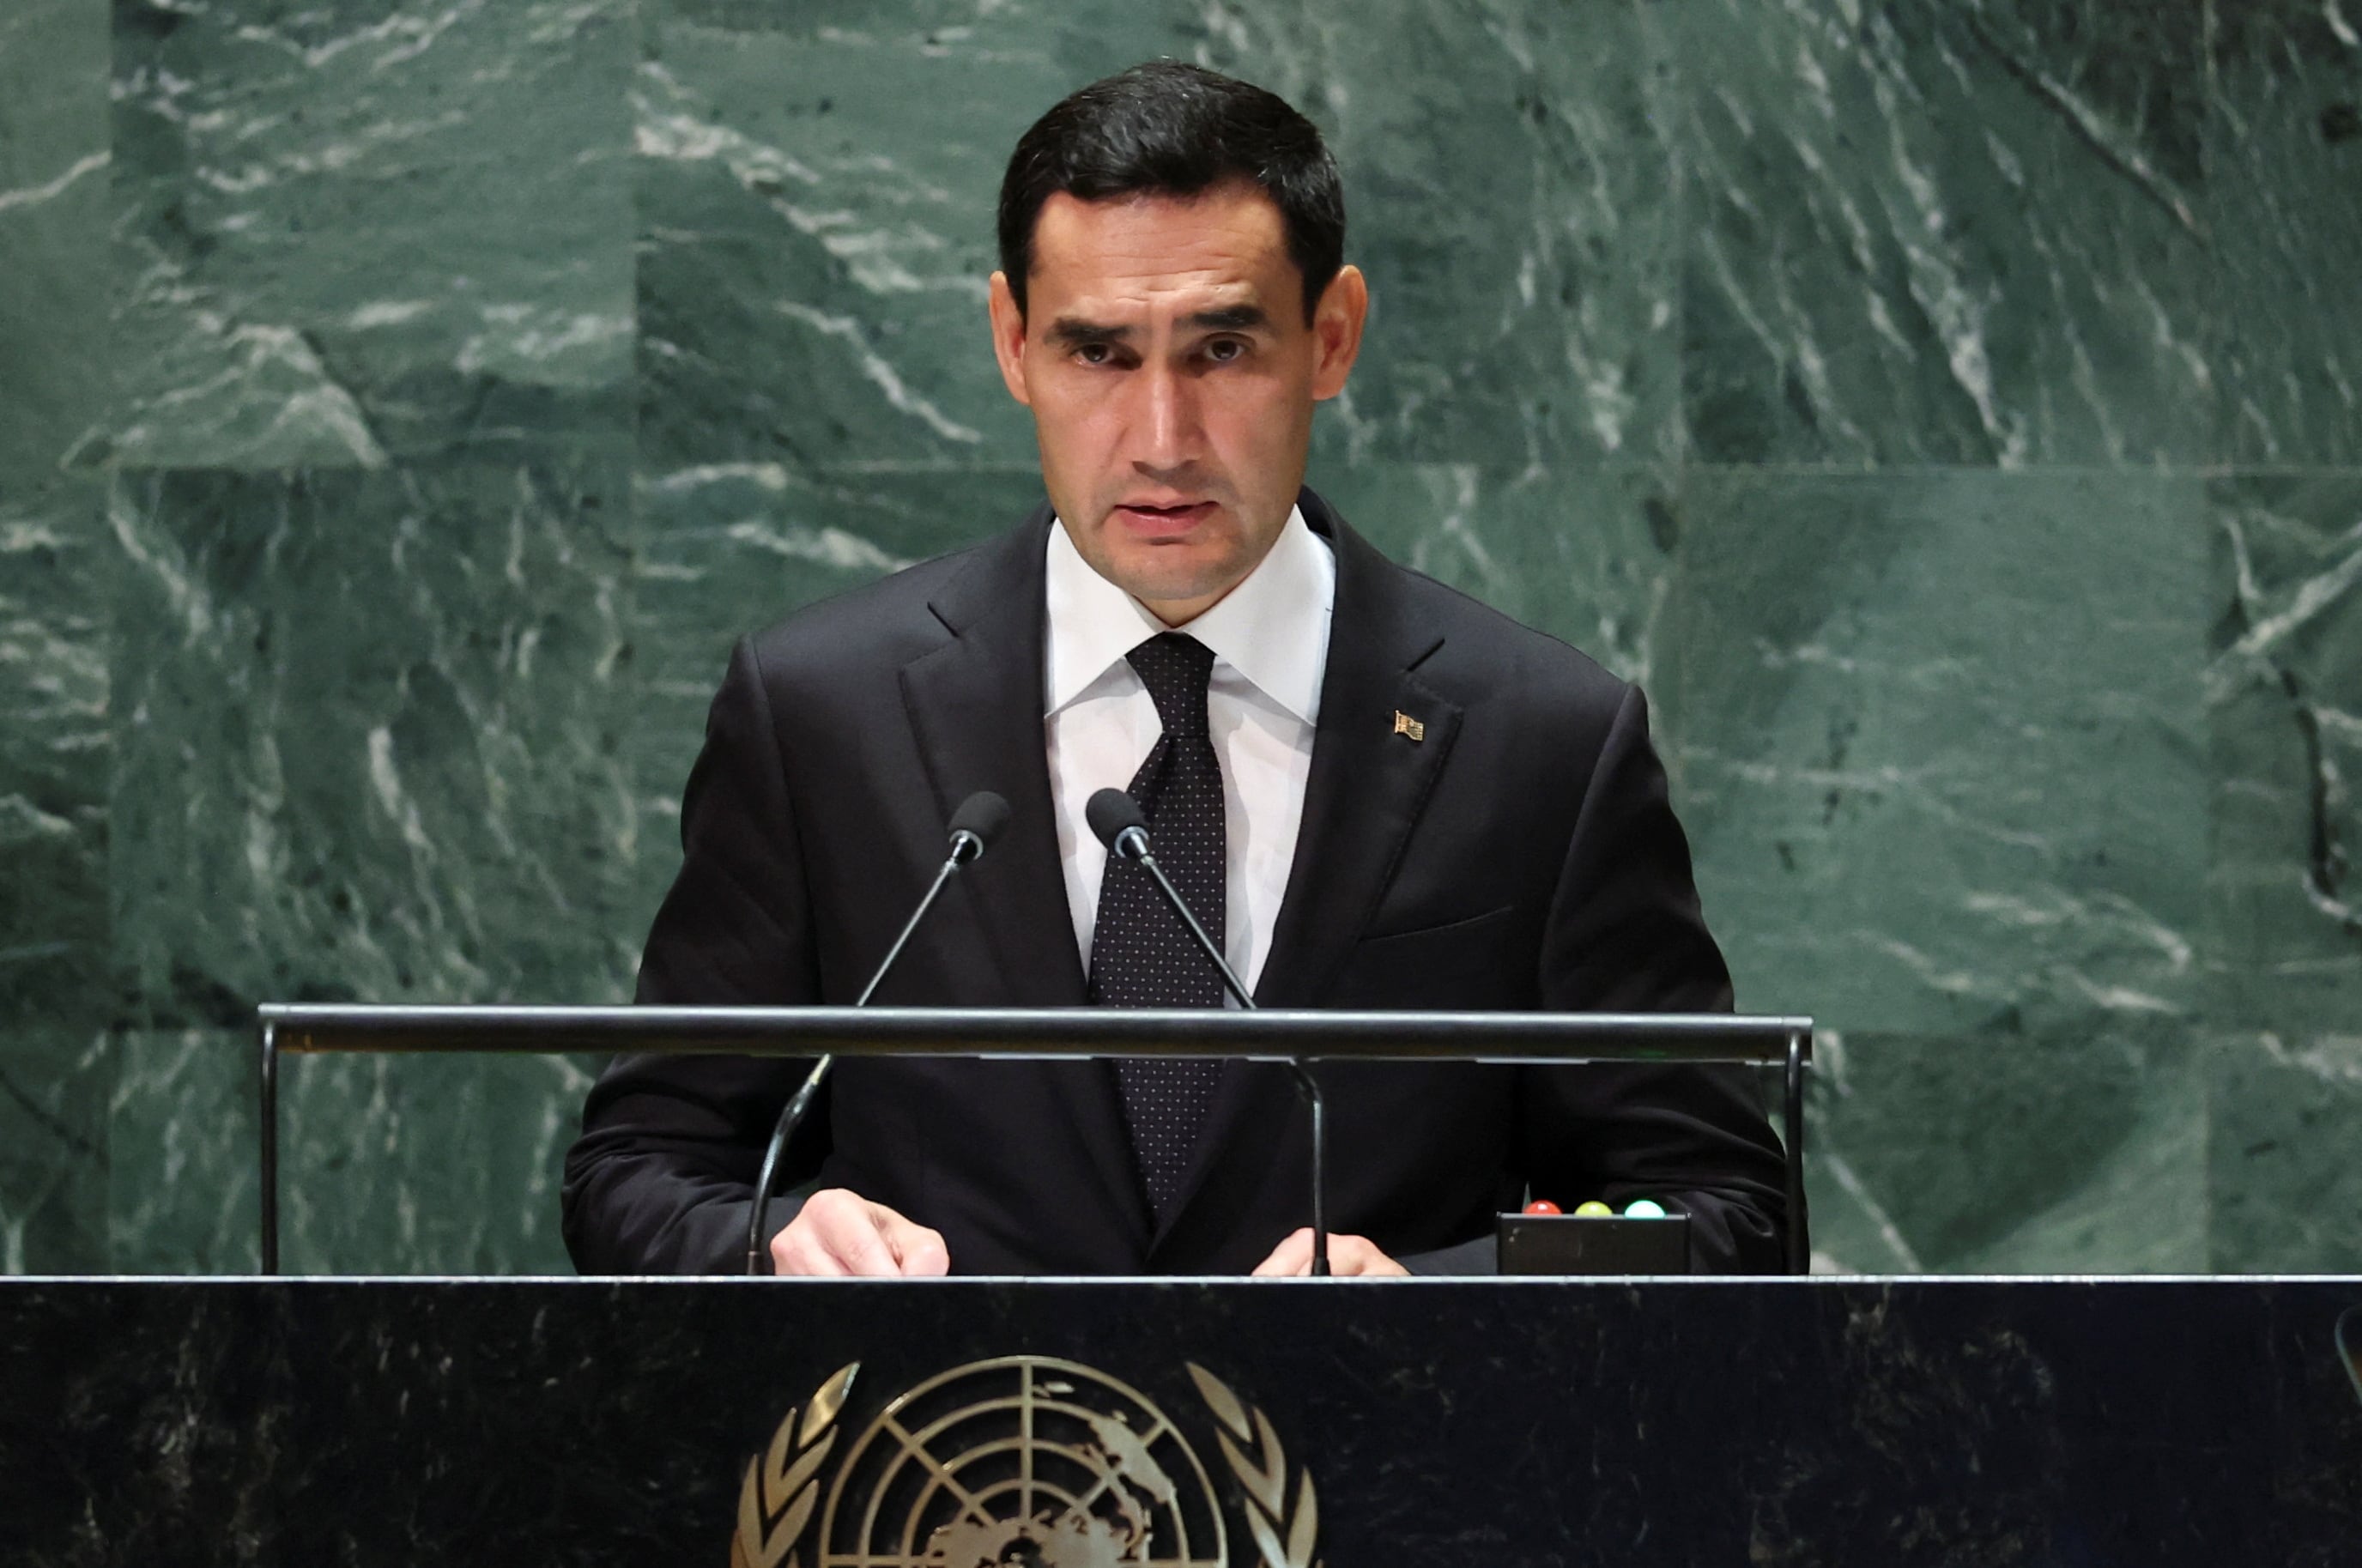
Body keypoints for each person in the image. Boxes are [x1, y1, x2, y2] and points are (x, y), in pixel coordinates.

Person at [562, 61, 1790, 1278]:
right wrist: (775, 1244)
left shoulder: (1546, 744)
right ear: (1012, 343)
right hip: (951, 1462)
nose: (1161, 440)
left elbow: (1722, 1211)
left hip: (1378, 1465)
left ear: (1333, 336)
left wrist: (1440, 1302)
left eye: (1221, 351)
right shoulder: (824, 715)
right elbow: (640, 1170)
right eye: (1098, 354)